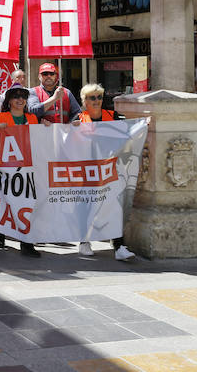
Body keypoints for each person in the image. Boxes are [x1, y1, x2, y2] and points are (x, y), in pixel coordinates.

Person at [73, 83, 136, 260]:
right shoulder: (78, 118)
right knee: (87, 206)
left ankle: (119, 246)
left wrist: (142, 125)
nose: (97, 101)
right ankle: (84, 241)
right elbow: (65, 142)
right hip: (87, 171)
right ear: (84, 101)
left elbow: (127, 132)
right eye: (92, 98)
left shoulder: (112, 115)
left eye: (99, 97)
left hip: (109, 169)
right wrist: (72, 129)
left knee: (113, 206)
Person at [0, 85, 42, 258]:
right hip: (6, 170)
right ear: (9, 101)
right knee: (7, 202)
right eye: (16, 96)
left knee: (26, 204)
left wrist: (48, 126)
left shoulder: (33, 118)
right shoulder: (1, 117)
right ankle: (1, 232)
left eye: (23, 96)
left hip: (28, 170)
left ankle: (26, 243)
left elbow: (41, 139)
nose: (20, 99)